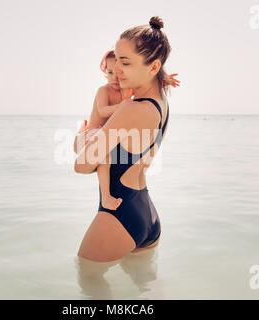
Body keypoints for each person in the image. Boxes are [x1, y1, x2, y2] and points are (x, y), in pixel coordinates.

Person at [74, 16, 172, 262]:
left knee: (88, 287)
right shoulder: (162, 103)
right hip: (147, 215)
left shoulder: (131, 110)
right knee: (143, 289)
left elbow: (82, 165)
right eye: (116, 59)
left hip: (119, 214)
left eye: (125, 62)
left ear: (153, 67)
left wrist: (79, 139)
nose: (116, 69)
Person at [76, 50, 179, 211]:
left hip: (103, 135)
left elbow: (145, 85)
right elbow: (103, 111)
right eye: (110, 72)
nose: (115, 77)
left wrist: (163, 80)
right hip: (92, 132)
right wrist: (123, 106)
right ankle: (106, 196)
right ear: (105, 73)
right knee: (104, 159)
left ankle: (106, 198)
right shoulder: (104, 91)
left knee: (105, 157)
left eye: (119, 71)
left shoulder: (130, 95)